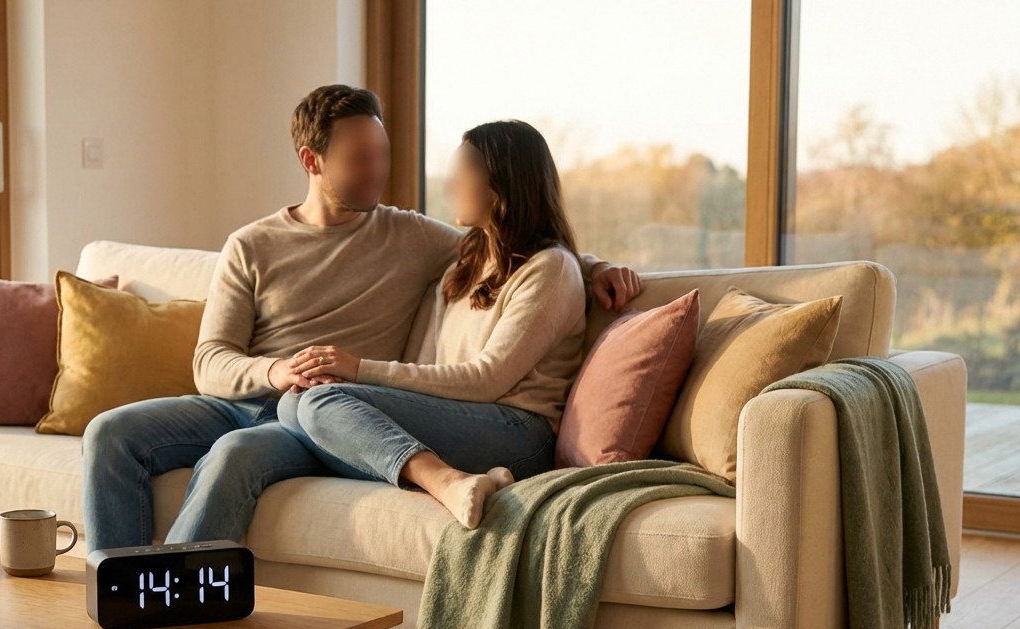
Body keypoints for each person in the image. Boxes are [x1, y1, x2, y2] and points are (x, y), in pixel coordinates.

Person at [82, 84, 644, 551]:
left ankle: (167, 608)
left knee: (241, 452)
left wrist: (594, 267)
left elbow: (526, 247)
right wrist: (277, 372)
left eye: (381, 153)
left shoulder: (408, 234)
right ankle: (109, 598)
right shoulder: (251, 245)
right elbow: (209, 363)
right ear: (312, 161)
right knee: (110, 432)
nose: (378, 170)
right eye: (360, 159)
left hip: (331, 414)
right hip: (250, 400)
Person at [272, 119, 592, 528]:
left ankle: (446, 482)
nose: (449, 187)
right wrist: (349, 382)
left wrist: (358, 369)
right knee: (294, 402)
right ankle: (453, 479)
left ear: (500, 182)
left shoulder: (550, 269)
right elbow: (426, 366)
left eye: (461, 174)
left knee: (320, 404)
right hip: (458, 418)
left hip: (519, 432)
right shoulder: (464, 268)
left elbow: (486, 380)